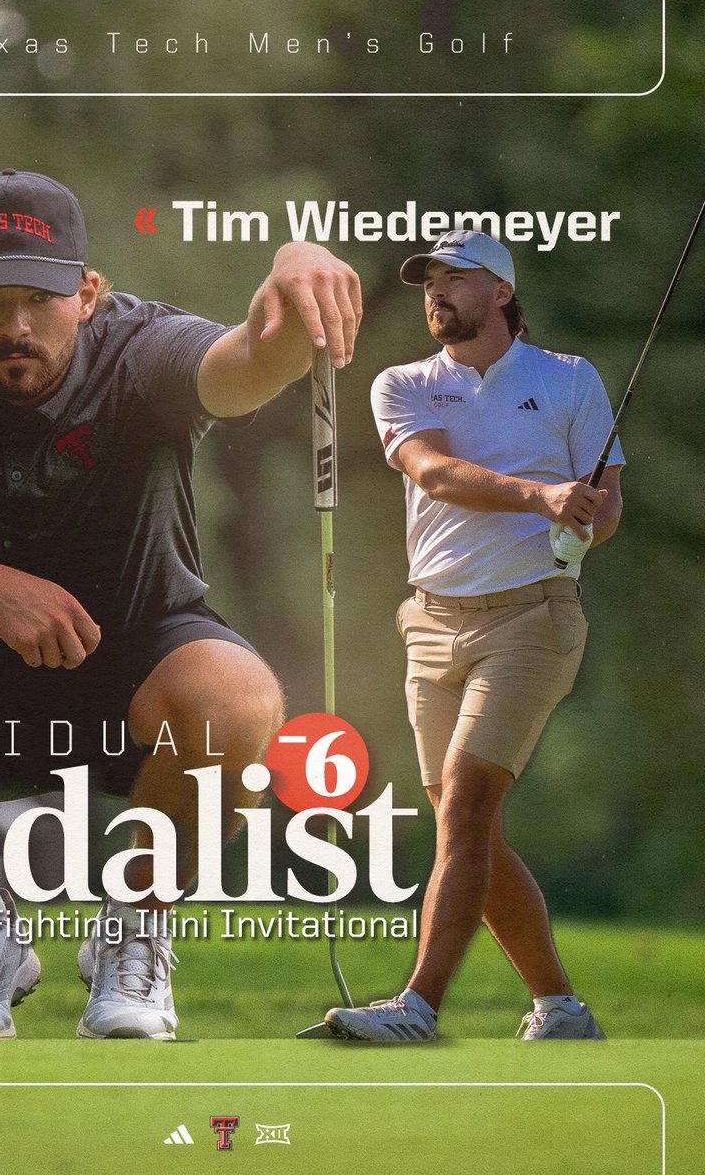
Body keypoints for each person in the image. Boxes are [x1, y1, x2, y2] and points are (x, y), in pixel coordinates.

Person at [0, 169, 362, 1041]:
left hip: (139, 663)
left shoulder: (145, 347)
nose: (17, 326)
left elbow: (248, 367)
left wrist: (292, 273)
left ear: (88, 293)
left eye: (41, 298)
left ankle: (133, 937)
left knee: (240, 698)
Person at [325, 230, 622, 1042]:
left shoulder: (569, 380)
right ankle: (561, 1009)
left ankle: (416, 1006)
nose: (435, 293)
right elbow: (434, 474)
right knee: (469, 825)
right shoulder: (405, 383)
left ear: (500, 292)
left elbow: (608, 507)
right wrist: (542, 499)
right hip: (430, 623)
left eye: (454, 279)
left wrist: (583, 527)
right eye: (429, 281)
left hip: (533, 619)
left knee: (465, 810)